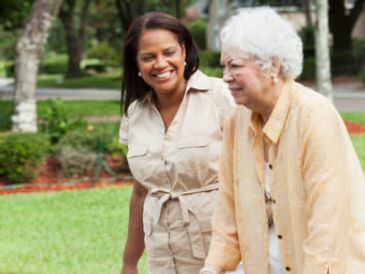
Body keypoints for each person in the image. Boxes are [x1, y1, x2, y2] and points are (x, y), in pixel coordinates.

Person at [200, 7, 365, 274]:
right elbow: (229, 208)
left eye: (235, 66)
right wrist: (214, 267)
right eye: (223, 66)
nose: (226, 76)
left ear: (272, 66)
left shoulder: (314, 116)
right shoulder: (236, 121)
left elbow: (328, 218)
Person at [119, 12, 238, 274]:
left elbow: (253, 179)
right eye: (148, 57)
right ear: (136, 63)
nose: (160, 64)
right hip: (162, 257)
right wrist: (129, 261)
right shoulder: (135, 113)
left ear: (183, 51)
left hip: (220, 256)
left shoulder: (221, 97)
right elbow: (141, 192)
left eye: (168, 52)